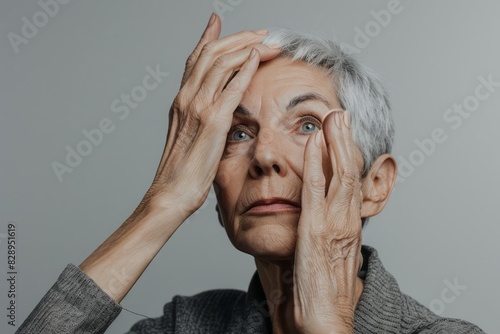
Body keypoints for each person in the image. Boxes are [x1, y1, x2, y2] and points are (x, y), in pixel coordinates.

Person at [17, 13, 485, 334]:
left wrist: (327, 324)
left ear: (374, 184)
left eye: (307, 125)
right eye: (237, 134)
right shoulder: (188, 325)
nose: (264, 156)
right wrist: (162, 204)